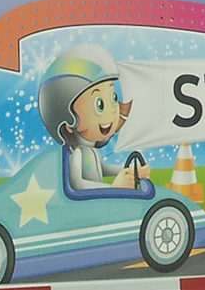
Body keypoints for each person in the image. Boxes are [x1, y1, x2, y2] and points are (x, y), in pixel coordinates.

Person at [37, 45, 145, 189]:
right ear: (68, 121)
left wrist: (130, 171)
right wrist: (113, 188)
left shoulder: (92, 152)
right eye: (100, 105)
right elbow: (77, 184)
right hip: (87, 207)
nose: (113, 111)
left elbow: (103, 168)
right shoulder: (78, 155)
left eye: (113, 97)